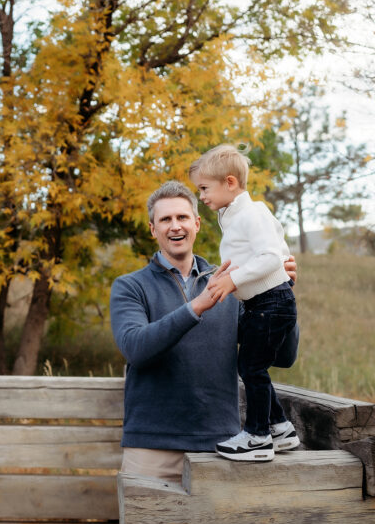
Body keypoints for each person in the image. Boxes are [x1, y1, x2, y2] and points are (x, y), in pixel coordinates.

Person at [109, 181, 298, 484]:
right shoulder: (130, 286)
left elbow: (284, 357)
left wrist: (278, 292)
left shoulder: (232, 280)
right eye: (165, 219)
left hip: (222, 446)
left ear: (196, 224)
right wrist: (196, 306)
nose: (175, 226)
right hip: (152, 447)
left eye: (182, 218)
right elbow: (136, 348)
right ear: (152, 229)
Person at [189, 144, 298, 462]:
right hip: (261, 303)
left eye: (205, 188)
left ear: (231, 183)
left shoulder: (251, 214)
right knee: (253, 367)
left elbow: (272, 256)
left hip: (270, 302)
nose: (203, 197)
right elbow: (279, 245)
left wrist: (233, 281)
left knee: (250, 367)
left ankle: (257, 438)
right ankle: (280, 428)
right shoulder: (237, 216)